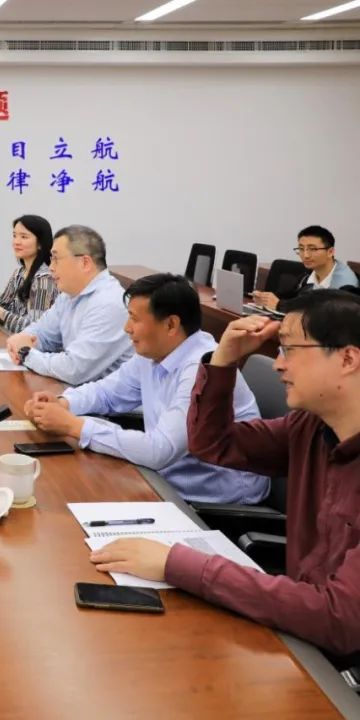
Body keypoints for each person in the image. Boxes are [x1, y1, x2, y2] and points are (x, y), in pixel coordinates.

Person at [89, 290, 360, 661]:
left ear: (347, 358)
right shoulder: (310, 427)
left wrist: (176, 564)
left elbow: (339, 618)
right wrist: (223, 361)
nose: (279, 365)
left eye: (290, 350)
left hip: (337, 662)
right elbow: (212, 444)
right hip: (300, 634)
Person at [25, 273, 268, 504]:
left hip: (217, 499)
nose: (126, 328)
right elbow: (107, 393)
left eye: (135, 319)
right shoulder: (154, 352)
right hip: (167, 477)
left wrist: (73, 426)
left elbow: (160, 451)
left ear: (171, 325)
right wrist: (63, 403)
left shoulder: (200, 368)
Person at [5, 225, 132, 385]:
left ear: (85, 263)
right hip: (77, 392)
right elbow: (43, 333)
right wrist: (21, 339)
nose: (51, 267)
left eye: (56, 259)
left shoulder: (109, 303)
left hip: (104, 399)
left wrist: (26, 353)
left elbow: (74, 369)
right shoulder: (69, 295)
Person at [0, 215, 59, 334]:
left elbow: (35, 329)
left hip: (32, 345)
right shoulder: (19, 273)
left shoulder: (44, 279)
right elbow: (2, 306)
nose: (16, 242)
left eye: (24, 237)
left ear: (40, 243)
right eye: (14, 236)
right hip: (13, 340)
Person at [251, 225, 358, 311]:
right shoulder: (308, 274)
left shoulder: (346, 285)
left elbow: (325, 313)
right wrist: (266, 298)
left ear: (330, 252)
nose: (305, 255)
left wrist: (280, 305)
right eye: (301, 249)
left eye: (312, 249)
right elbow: (295, 296)